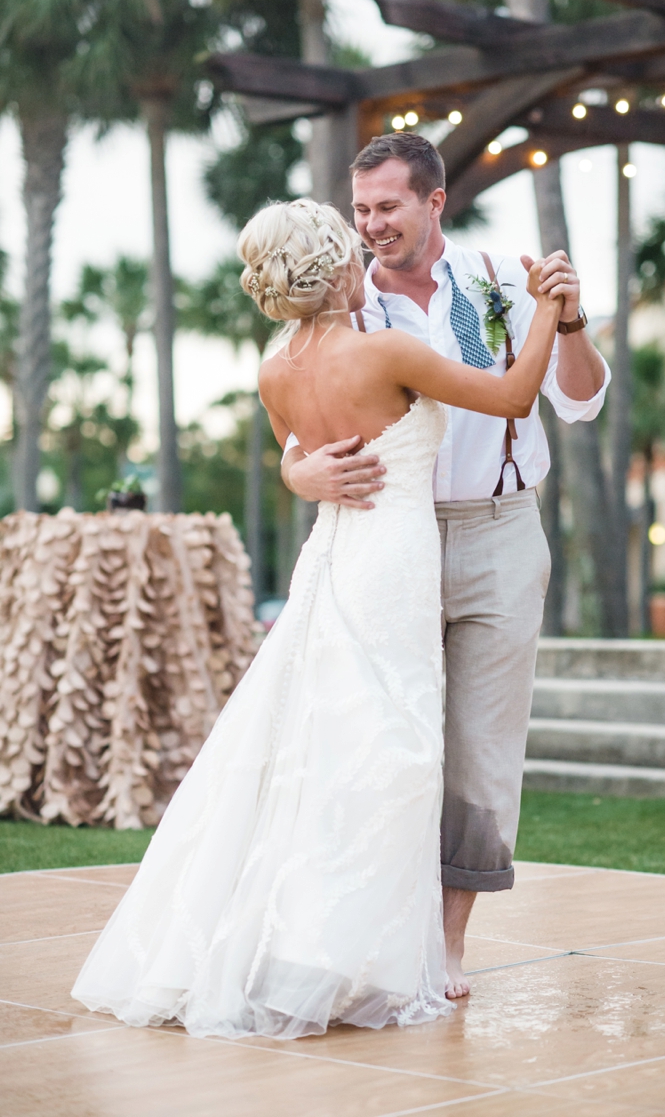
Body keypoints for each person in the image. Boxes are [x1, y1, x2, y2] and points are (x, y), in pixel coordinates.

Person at [72, 197, 566, 1040]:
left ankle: (308, 949)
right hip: (393, 569)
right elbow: (516, 395)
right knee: (389, 758)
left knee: (314, 752)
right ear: (339, 266)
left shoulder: (275, 370)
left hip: (331, 563)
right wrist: (552, 308)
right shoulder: (386, 352)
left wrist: (299, 475)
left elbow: (296, 453)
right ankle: (362, 957)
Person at [281, 134, 610, 1000]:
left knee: (480, 753)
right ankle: (374, 928)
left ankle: (447, 944)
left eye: (387, 207)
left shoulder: (510, 277)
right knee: (393, 744)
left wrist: (567, 317)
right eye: (359, 211)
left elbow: (576, 401)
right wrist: (298, 473)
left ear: (434, 203)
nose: (370, 226)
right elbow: (299, 434)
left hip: (504, 532)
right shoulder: (344, 306)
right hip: (396, 544)